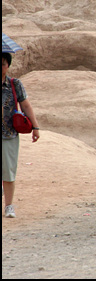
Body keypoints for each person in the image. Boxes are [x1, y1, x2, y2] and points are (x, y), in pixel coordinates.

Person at [2, 52, 41, 218]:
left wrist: (36, 127)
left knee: (9, 172)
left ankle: (9, 206)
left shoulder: (14, 84)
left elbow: (25, 105)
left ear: (8, 66)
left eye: (2, 64)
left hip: (9, 134)